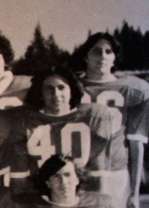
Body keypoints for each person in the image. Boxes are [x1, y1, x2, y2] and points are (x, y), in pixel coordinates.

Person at [76, 32, 149, 208]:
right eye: (96, 50)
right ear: (86, 55)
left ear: (115, 57)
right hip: (80, 176)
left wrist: (134, 191)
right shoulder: (71, 86)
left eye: (108, 51)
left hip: (115, 176)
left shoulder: (134, 90)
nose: (102, 56)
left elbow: (136, 142)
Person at [9, 66, 126, 197]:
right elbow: (19, 177)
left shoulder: (92, 118)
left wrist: (97, 205)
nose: (56, 94)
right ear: (40, 93)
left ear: (72, 90)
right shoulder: (25, 120)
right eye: (49, 89)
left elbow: (98, 173)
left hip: (80, 197)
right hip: (39, 198)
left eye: (61, 87)